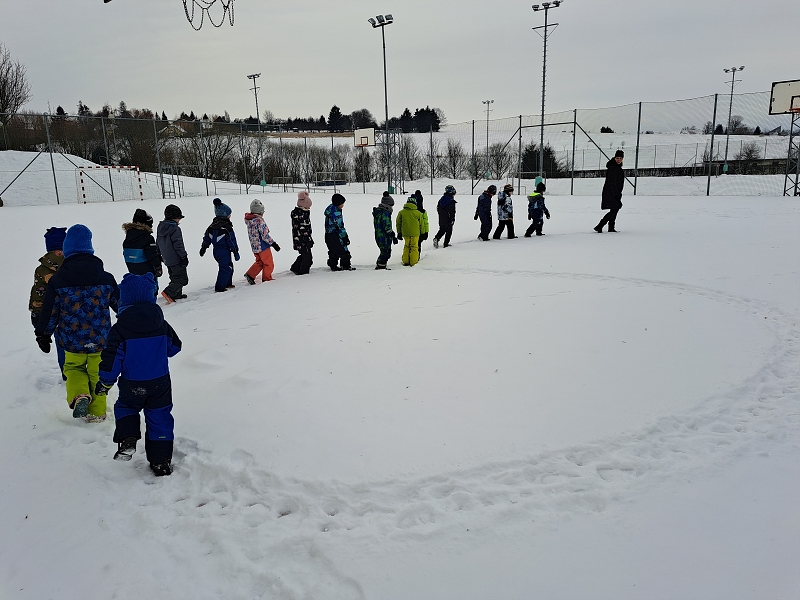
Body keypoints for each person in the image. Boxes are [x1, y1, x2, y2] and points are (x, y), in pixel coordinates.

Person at [96, 273, 182, 477]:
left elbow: (112, 359)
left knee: (126, 406)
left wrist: (105, 382)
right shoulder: (161, 324)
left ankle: (128, 438)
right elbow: (175, 347)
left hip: (132, 383)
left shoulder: (120, 329)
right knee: (159, 417)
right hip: (160, 382)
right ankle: (161, 461)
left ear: (124, 301)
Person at [35, 224, 119, 423]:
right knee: (98, 374)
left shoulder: (58, 281)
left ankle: (80, 395)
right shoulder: (106, 279)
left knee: (73, 369)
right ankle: (97, 412)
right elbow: (120, 305)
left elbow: (50, 312)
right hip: (100, 340)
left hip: (71, 341)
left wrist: (43, 334)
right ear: (90, 248)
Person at [29, 227, 67, 379]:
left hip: (49, 315)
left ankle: (66, 374)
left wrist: (37, 316)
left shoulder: (41, 269)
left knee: (61, 345)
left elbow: (38, 293)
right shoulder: (72, 265)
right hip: (70, 312)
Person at [200, 198, 240, 292]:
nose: (230, 216)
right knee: (226, 268)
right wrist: (235, 252)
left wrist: (204, 248)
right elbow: (232, 240)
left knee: (228, 266)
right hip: (223, 251)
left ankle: (227, 283)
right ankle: (220, 287)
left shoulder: (212, 226)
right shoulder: (226, 228)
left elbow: (206, 238)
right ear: (225, 215)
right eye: (229, 214)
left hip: (216, 251)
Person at [244, 199, 281, 284]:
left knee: (259, 261)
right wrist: (273, 243)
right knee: (268, 263)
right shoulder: (259, 221)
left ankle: (250, 274)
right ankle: (267, 278)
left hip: (255, 246)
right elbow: (265, 235)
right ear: (260, 212)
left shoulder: (250, 221)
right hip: (263, 246)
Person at [157, 204, 189, 303]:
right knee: (182, 279)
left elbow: (157, 242)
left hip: (167, 258)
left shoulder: (161, 227)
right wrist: (183, 256)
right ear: (174, 218)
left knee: (174, 277)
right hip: (176, 258)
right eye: (179, 218)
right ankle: (169, 292)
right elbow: (178, 244)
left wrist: (159, 254)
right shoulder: (175, 229)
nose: (179, 220)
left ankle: (176, 294)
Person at [122, 209, 162, 286]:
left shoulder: (128, 238)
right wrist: (158, 266)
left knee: (138, 286)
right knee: (150, 287)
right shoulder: (147, 238)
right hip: (147, 269)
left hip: (132, 268)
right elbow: (152, 254)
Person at [595, 150, 625, 233]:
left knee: (614, 209)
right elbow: (611, 183)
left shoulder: (617, 168)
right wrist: (616, 194)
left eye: (620, 158)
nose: (618, 160)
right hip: (611, 193)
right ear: (614, 158)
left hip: (614, 193)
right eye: (617, 158)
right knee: (615, 209)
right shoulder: (613, 168)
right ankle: (600, 225)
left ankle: (611, 227)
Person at [324, 193, 354, 271]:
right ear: (338, 203)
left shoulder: (330, 210)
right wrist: (344, 237)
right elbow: (340, 226)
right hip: (336, 235)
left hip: (328, 235)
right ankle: (345, 266)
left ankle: (333, 265)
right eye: (342, 203)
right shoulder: (336, 213)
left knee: (333, 251)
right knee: (343, 251)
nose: (343, 205)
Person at [396, 196, 425, 266]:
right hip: (415, 233)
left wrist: (399, 232)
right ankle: (413, 262)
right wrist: (423, 232)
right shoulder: (418, 213)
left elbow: (398, 223)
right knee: (414, 247)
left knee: (407, 246)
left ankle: (406, 261)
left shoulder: (401, 212)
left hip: (405, 233)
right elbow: (422, 224)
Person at [290, 191, 314, 275]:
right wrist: (308, 240)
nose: (309, 209)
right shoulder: (302, 215)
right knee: (308, 259)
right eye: (308, 207)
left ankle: (295, 268)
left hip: (300, 240)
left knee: (305, 255)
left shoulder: (301, 213)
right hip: (302, 240)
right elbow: (303, 230)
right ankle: (302, 274)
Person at [373, 193, 398, 270]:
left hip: (379, 235)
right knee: (386, 252)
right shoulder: (385, 213)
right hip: (384, 236)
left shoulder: (379, 212)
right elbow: (387, 226)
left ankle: (381, 265)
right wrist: (392, 235)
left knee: (384, 251)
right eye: (391, 205)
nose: (392, 207)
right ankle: (381, 266)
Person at [413, 190, 429, 255]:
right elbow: (425, 222)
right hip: (420, 230)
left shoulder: (411, 210)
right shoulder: (423, 212)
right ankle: (417, 255)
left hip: (412, 230)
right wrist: (426, 231)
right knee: (418, 243)